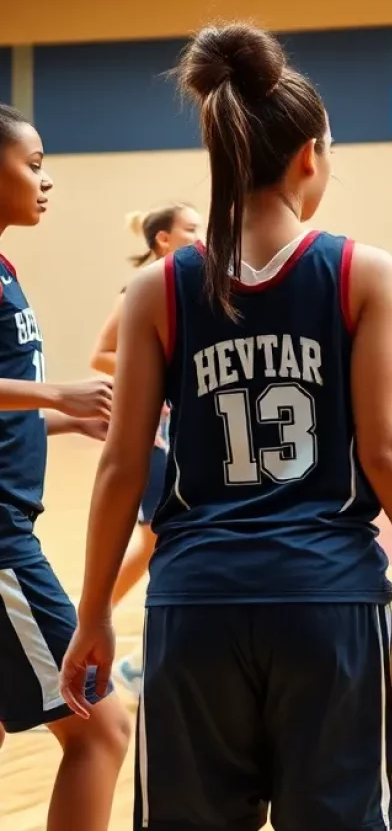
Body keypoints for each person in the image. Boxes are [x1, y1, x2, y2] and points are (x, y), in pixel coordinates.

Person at [58, 23, 392, 831]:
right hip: (327, 604)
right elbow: (387, 452)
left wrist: (92, 614)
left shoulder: (158, 287)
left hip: (194, 607)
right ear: (308, 158)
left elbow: (121, 467)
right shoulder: (366, 271)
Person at [0, 104, 131, 829]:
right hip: (1, 542)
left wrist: (60, 419)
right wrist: (56, 390)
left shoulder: (5, 268)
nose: (47, 181)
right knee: (102, 729)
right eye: (34, 164)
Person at [90, 203, 203, 697]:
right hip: (156, 434)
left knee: (166, 539)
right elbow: (100, 353)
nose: (201, 237)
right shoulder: (141, 288)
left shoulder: (187, 284)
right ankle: (98, 619)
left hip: (186, 431)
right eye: (192, 229)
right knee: (158, 539)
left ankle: (137, 644)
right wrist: (152, 377)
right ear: (163, 239)